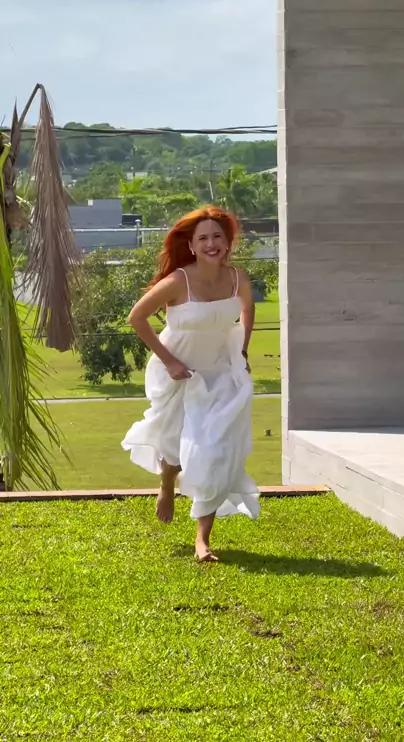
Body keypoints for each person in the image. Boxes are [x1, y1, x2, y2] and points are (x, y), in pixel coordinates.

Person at [121, 206, 260, 562]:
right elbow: (137, 317)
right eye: (203, 238)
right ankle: (167, 483)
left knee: (214, 451)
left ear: (227, 242)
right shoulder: (178, 281)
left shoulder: (238, 278)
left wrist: (242, 349)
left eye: (217, 236)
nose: (212, 243)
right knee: (174, 447)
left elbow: (247, 310)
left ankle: (202, 541)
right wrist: (170, 362)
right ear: (192, 246)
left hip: (219, 373)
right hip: (178, 371)